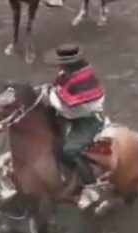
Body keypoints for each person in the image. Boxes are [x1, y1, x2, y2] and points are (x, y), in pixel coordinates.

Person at [46, 44, 106, 185]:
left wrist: (52, 95)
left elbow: (72, 103)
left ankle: (91, 185)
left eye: (62, 63)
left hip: (87, 119)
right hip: (65, 114)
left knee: (70, 151)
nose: (60, 66)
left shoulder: (84, 79)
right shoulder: (65, 75)